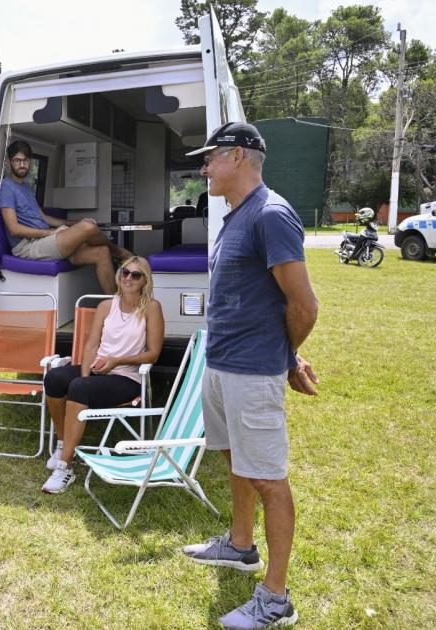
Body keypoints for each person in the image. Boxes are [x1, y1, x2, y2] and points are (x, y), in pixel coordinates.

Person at [180, 122, 319, 629]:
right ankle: (240, 545)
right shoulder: (235, 215)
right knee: (233, 455)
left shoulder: (271, 215)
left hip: (251, 371)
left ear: (238, 156)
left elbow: (304, 304)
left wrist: (284, 357)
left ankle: (276, 599)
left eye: (210, 158)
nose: (204, 168)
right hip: (222, 363)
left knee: (268, 477)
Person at [40, 257, 163, 494]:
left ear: (144, 281)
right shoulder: (107, 306)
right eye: (125, 272)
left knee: (79, 388)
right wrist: (87, 374)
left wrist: (117, 361)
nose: (128, 278)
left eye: (136, 275)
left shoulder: (152, 308)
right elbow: (90, 346)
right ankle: (64, 442)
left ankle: (65, 467)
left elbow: (153, 354)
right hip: (99, 369)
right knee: (54, 378)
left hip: (127, 377)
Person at [0, 140, 132, 293]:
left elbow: (45, 218)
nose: (22, 165)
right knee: (88, 227)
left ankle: (116, 307)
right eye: (17, 160)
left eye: (26, 160)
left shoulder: (26, 188)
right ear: (8, 162)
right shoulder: (6, 187)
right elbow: (14, 229)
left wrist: (76, 224)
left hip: (45, 241)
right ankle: (120, 252)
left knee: (102, 252)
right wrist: (53, 232)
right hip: (28, 246)